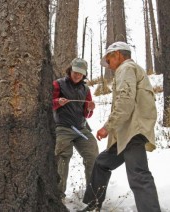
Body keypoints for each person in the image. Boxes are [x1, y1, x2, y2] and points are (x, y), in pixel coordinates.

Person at [77, 41, 161, 212]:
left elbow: (125, 101)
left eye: (109, 61)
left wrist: (108, 127)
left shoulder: (126, 68)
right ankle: (93, 205)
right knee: (102, 163)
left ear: (118, 55)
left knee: (138, 175)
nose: (108, 65)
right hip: (126, 133)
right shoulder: (130, 70)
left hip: (133, 131)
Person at [52, 58, 99, 199]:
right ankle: (58, 196)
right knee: (62, 157)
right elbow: (47, 103)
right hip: (62, 128)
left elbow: (86, 114)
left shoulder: (86, 89)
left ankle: (92, 195)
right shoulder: (58, 84)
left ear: (84, 74)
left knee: (93, 155)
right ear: (70, 70)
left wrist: (90, 109)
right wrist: (57, 102)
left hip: (81, 129)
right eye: (75, 72)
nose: (77, 75)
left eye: (81, 73)